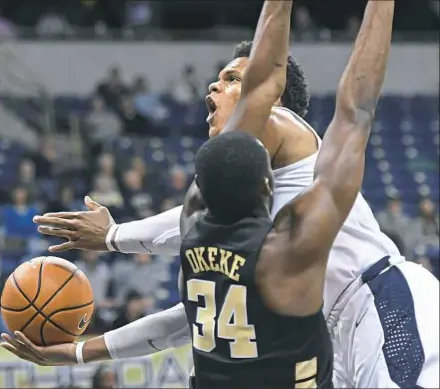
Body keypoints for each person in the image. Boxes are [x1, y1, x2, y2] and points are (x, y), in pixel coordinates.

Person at [23, 0, 438, 387]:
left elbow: (345, 105)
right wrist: (78, 352)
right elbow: (191, 320)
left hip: (379, 301)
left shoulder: (282, 124)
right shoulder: (236, 235)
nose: (212, 87)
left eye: (232, 79)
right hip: (327, 330)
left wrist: (116, 236)